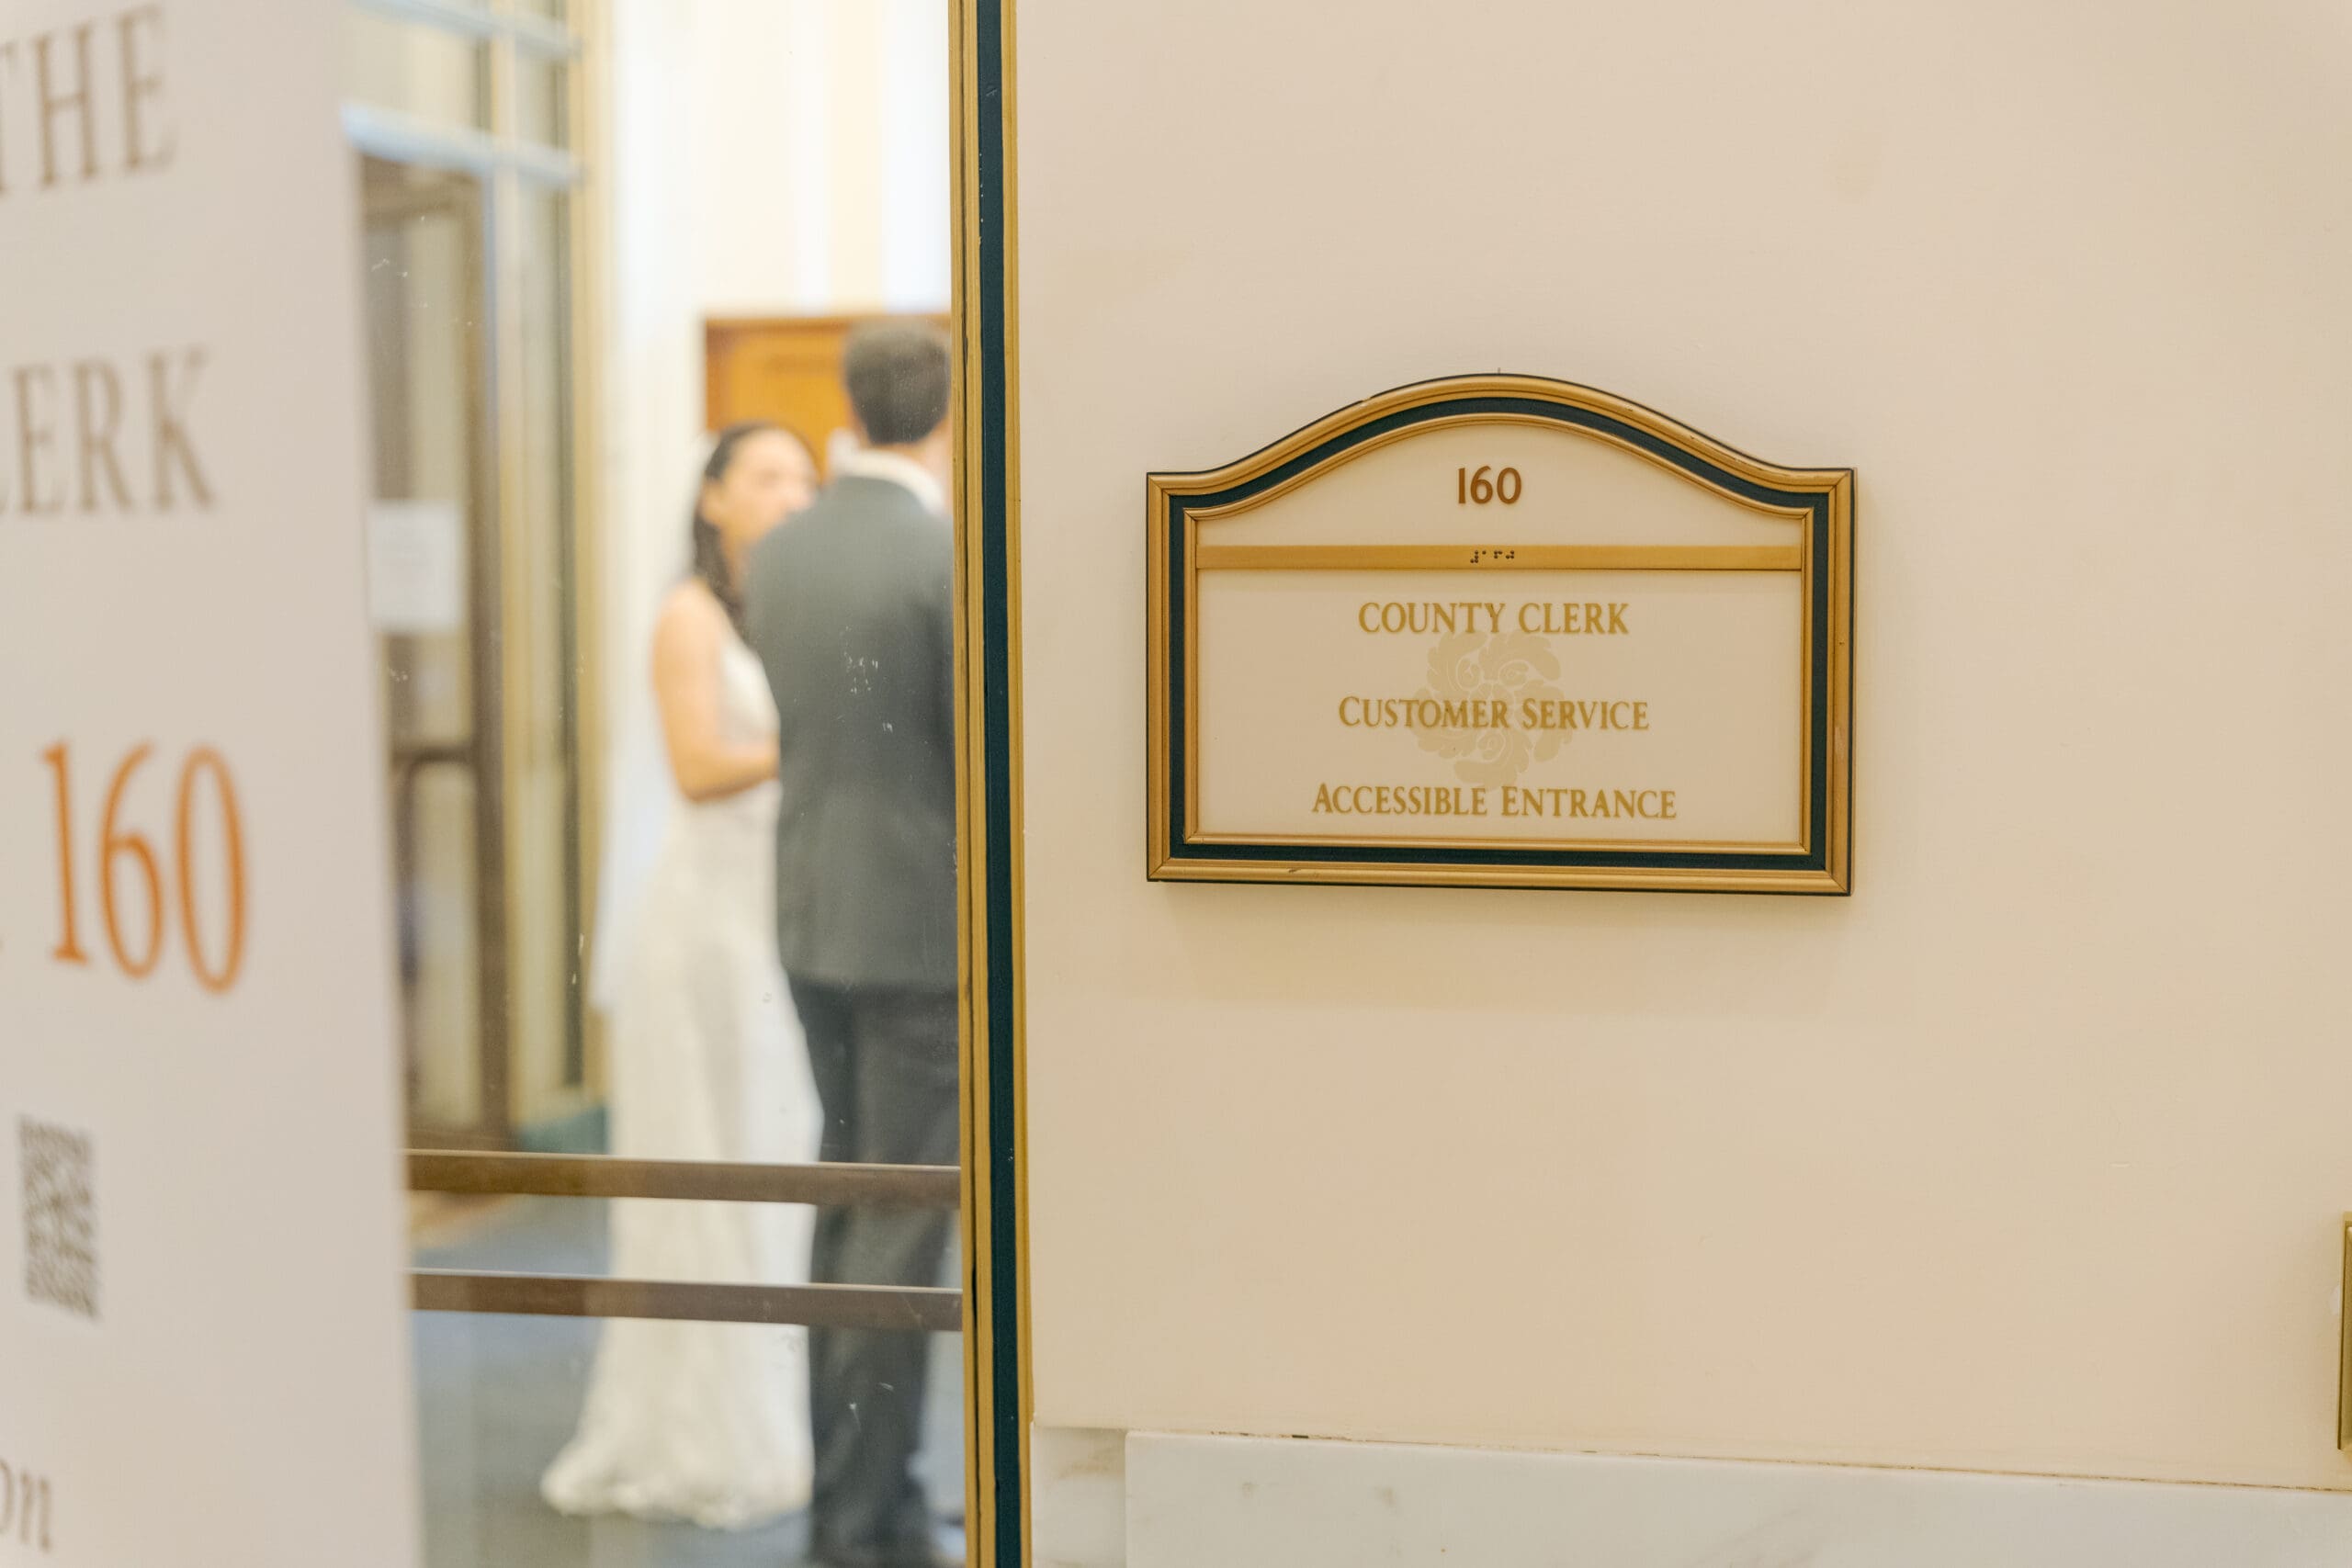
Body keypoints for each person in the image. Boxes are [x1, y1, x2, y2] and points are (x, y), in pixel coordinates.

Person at [542, 423, 823, 1529]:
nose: (791, 492)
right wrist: (827, 743)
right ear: (711, 499)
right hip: (702, 930)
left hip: (765, 917)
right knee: (709, 1164)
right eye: (766, 476)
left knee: (774, 1152)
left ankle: (765, 1420)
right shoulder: (685, 617)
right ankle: (693, 1433)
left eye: (804, 475)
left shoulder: (772, 614)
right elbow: (701, 767)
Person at [743, 323, 957, 1568]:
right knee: (899, 1218)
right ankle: (869, 1518)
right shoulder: (939, 553)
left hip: (811, 907)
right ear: (943, 415)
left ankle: (853, 1491)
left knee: (845, 1197)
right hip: (918, 924)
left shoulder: (784, 553)